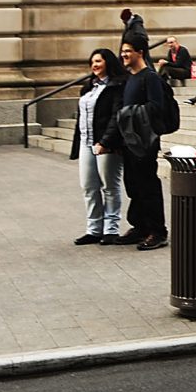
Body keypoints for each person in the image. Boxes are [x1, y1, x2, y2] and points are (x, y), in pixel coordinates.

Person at [113, 37, 169, 250]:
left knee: (148, 185)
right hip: (130, 141)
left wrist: (129, 113)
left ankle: (158, 231)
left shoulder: (150, 77)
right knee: (133, 185)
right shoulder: (130, 78)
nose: (124, 55)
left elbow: (156, 107)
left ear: (140, 52)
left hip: (145, 142)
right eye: (123, 51)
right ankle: (140, 227)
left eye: (128, 51)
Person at [70, 47, 125, 244]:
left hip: (107, 144)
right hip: (86, 142)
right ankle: (94, 229)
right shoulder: (88, 87)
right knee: (89, 186)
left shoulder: (116, 86)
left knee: (110, 186)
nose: (95, 65)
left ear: (108, 63)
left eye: (99, 61)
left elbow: (116, 116)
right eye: (92, 62)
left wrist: (105, 141)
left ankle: (111, 229)